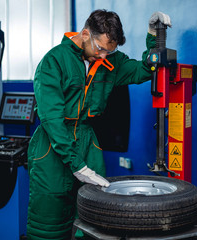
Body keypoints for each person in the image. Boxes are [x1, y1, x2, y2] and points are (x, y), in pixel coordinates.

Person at [26, 9, 171, 240]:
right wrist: (77, 165)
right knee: (49, 221)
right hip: (52, 145)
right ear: (85, 34)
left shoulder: (109, 62)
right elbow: (52, 119)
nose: (104, 56)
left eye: (110, 51)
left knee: (93, 215)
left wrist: (153, 35)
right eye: (100, 48)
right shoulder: (54, 61)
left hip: (87, 139)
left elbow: (145, 69)